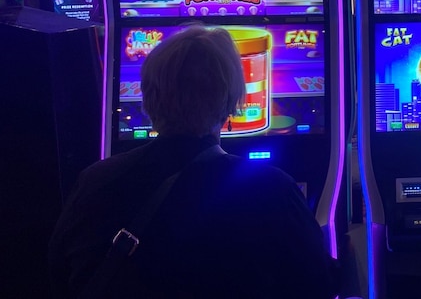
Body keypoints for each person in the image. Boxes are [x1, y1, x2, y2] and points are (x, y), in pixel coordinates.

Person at [49, 25, 340, 298]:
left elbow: (57, 278)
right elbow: (319, 286)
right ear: (230, 102)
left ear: (147, 99)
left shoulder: (95, 183)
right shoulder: (273, 191)